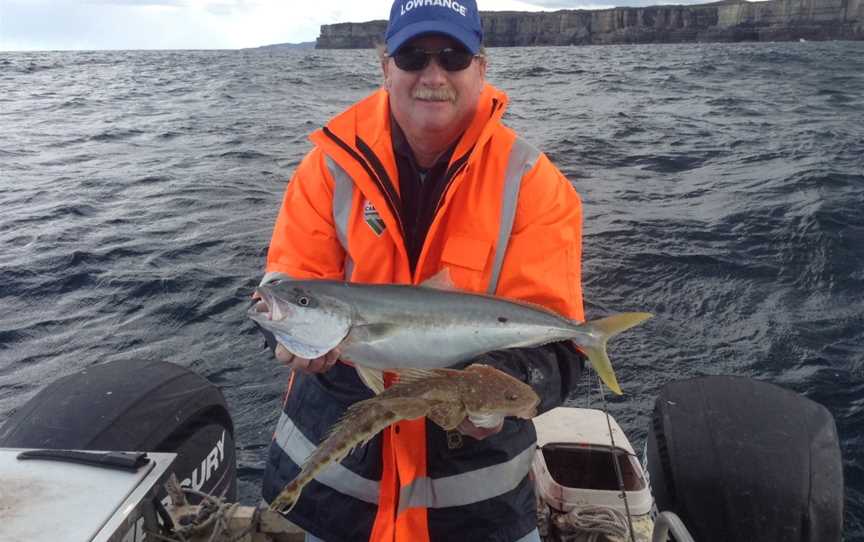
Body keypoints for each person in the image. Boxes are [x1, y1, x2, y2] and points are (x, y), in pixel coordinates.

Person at [255, 0, 587, 540]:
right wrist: (288, 334)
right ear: (384, 65)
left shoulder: (533, 183)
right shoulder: (329, 167)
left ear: (481, 68)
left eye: (453, 56)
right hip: (325, 495)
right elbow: (284, 287)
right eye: (413, 56)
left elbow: (558, 348)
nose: (433, 75)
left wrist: (505, 384)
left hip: (477, 510)